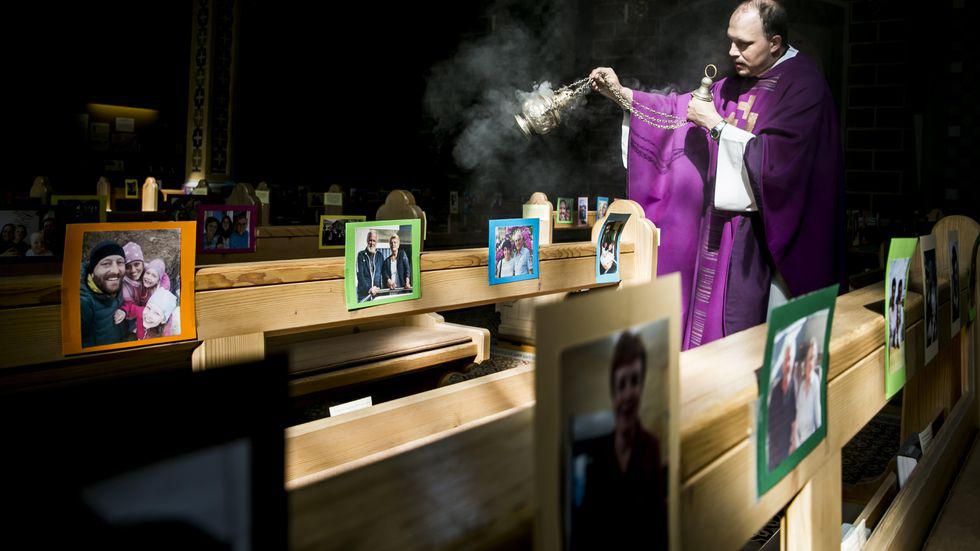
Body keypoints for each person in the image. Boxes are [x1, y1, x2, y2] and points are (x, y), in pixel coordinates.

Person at [590, 0, 844, 350]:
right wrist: (623, 96)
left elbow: (781, 167)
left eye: (744, 44)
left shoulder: (803, 86)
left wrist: (716, 126)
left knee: (747, 346)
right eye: (730, 40)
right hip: (720, 231)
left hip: (766, 238)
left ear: (774, 43)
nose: (732, 51)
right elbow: (677, 111)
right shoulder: (737, 81)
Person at [570, 331, 667, 549]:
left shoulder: (652, 447)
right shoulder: (595, 454)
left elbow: (658, 527)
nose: (628, 394)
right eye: (621, 384)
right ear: (614, 395)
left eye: (634, 381)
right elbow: (582, 530)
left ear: (641, 388)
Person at [80, 241, 130, 347]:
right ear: (92, 271)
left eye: (120, 262)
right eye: (106, 263)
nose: (116, 270)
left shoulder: (119, 283)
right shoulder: (84, 301)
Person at [767, 337, 797, 471]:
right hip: (774, 452)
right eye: (786, 359)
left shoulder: (795, 387)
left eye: (790, 358)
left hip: (789, 448)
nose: (788, 363)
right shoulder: (775, 388)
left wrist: (794, 443)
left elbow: (795, 421)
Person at [794, 338, 821, 446]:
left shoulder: (815, 382)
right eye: (809, 358)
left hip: (810, 442)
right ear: (804, 361)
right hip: (797, 442)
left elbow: (818, 419)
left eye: (813, 358)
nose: (811, 363)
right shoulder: (800, 384)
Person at [356, 230, 384, 302]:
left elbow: (384, 273)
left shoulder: (380, 256)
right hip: (364, 295)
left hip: (377, 295)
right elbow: (360, 275)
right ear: (367, 241)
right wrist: (369, 289)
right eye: (370, 240)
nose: (372, 243)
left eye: (374, 241)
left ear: (376, 242)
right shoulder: (361, 255)